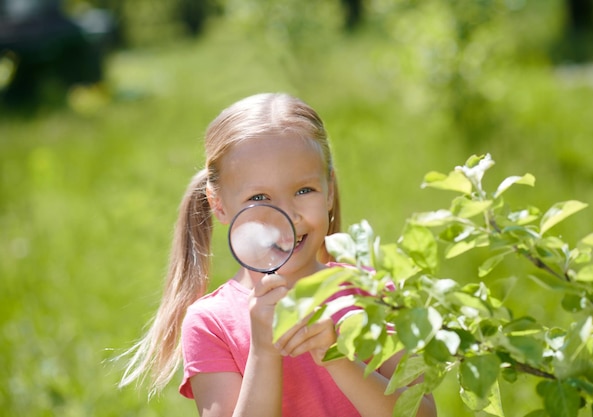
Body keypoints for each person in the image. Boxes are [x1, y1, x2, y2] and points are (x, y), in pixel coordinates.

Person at [119, 93, 437, 417]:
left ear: (329, 188)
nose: (288, 215)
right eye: (259, 197)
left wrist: (337, 356)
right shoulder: (211, 324)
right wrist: (263, 352)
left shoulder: (374, 289)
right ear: (219, 205)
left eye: (303, 191)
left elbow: (423, 414)